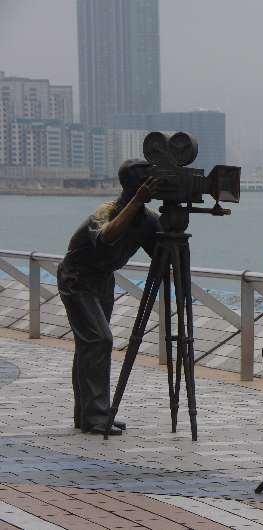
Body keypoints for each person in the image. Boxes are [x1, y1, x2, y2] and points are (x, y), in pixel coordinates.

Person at [57, 160, 160, 435]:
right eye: (146, 182)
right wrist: (137, 201)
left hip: (103, 279)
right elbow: (106, 237)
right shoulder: (106, 211)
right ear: (133, 186)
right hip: (77, 277)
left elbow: (161, 253)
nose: (152, 186)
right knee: (99, 340)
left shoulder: (147, 219)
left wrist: (173, 226)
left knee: (89, 345)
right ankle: (96, 416)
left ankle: (87, 413)